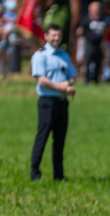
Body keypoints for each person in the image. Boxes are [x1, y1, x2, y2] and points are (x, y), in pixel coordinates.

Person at [29, 24, 77, 181]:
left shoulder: (64, 55)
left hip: (62, 103)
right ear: (46, 36)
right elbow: (41, 80)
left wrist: (67, 84)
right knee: (42, 137)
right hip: (47, 102)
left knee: (60, 140)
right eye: (53, 35)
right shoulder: (40, 55)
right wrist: (60, 87)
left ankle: (59, 175)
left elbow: (72, 76)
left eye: (58, 35)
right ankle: (35, 172)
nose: (56, 38)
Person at [76, 1, 106, 84]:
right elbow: (79, 31)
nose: (97, 10)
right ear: (90, 9)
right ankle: (87, 80)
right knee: (88, 63)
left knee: (98, 63)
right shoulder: (86, 19)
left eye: (98, 8)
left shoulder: (102, 18)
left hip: (99, 45)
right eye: (95, 8)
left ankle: (96, 80)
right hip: (89, 44)